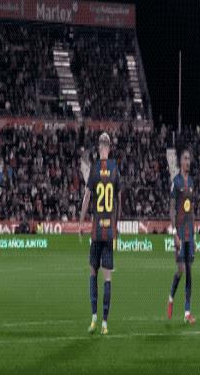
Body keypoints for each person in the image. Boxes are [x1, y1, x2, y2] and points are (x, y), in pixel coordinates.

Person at [80, 132, 122, 335]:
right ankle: (105, 323)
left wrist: (81, 222)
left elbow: (87, 197)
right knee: (107, 277)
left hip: (96, 231)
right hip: (109, 231)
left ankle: (94, 319)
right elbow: (119, 200)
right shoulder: (115, 169)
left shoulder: (95, 168)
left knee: (92, 272)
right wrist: (117, 225)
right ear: (110, 148)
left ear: (99, 148)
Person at [167, 148, 196, 324]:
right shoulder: (176, 182)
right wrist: (174, 233)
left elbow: (191, 209)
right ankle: (171, 297)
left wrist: (195, 235)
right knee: (180, 270)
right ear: (180, 162)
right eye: (185, 159)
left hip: (189, 232)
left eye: (189, 159)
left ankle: (187, 312)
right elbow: (171, 208)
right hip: (179, 232)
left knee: (189, 271)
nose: (188, 162)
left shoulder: (191, 181)